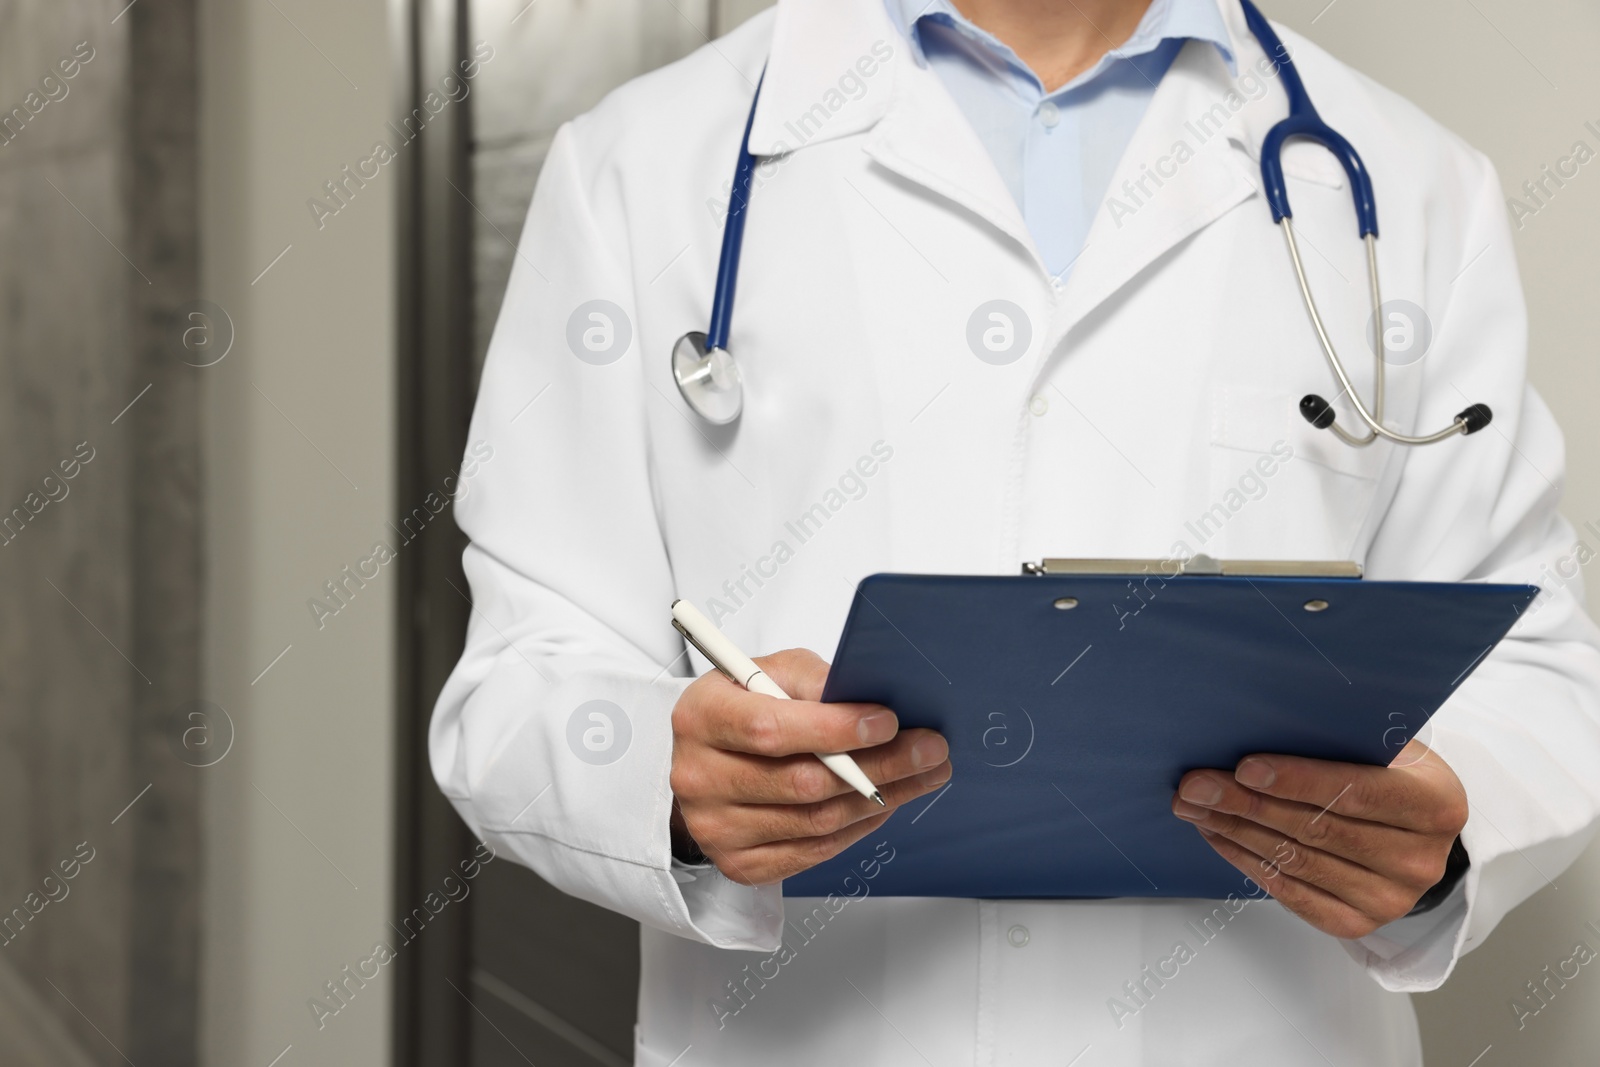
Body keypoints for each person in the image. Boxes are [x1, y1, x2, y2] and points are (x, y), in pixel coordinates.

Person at [430, 0, 1600, 1062]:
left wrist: (1443, 840)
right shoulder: (640, 165)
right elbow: (522, 683)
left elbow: (1535, 666)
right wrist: (672, 782)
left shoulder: (1407, 184)